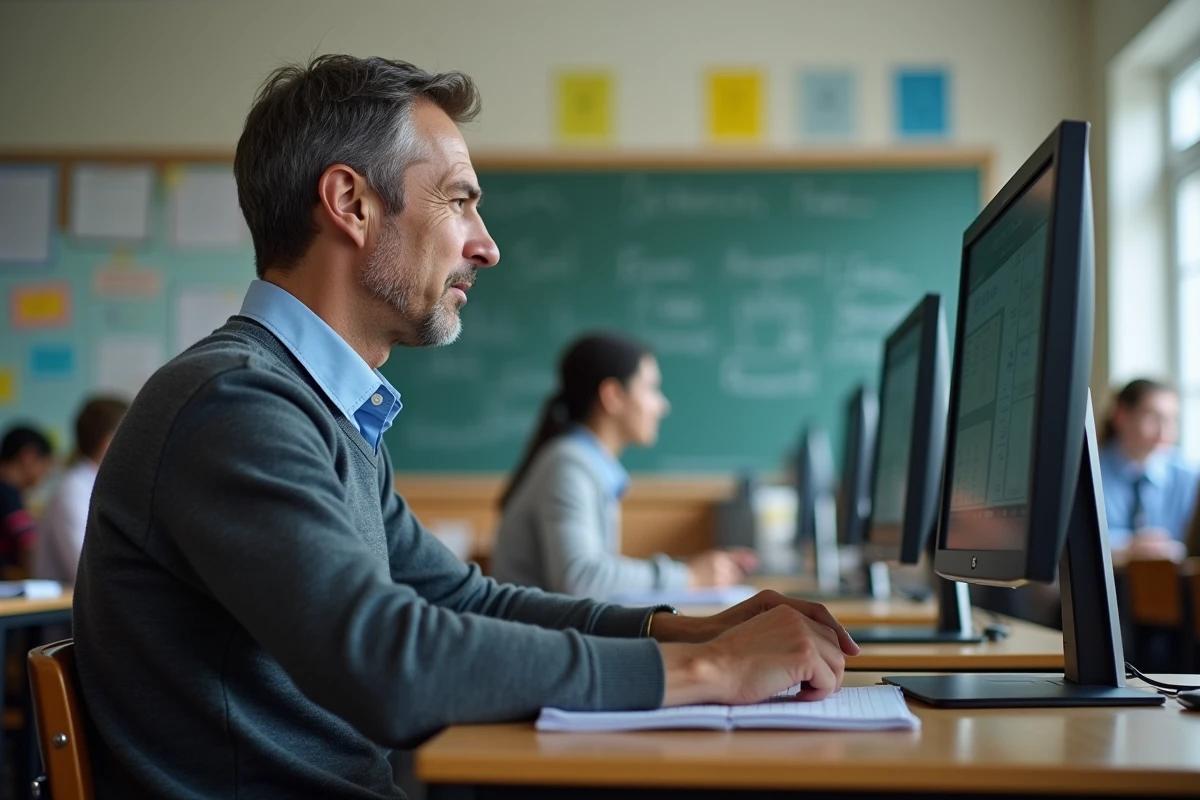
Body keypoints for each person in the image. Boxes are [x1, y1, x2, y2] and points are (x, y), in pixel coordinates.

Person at [74, 56, 858, 800]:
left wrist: (683, 631)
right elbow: (385, 662)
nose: (485, 244)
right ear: (351, 203)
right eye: (458, 200)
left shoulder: (316, 408)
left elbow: (459, 599)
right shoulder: (236, 405)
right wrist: (711, 673)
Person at [492, 332, 756, 599]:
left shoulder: (578, 461)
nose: (662, 406)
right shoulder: (568, 465)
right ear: (613, 396)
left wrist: (692, 572)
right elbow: (582, 579)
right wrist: (689, 576)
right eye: (651, 389)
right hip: (538, 636)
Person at [1099, 379, 1199, 563]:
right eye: (1154, 417)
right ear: (1121, 416)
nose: (1164, 430)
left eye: (1172, 419)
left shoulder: (1189, 476)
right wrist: (1128, 548)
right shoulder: (1088, 472)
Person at [35, 396, 128, 584]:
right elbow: (87, 570)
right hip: (63, 609)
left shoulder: (101, 486)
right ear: (110, 442)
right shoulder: (73, 490)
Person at [0, 424, 55, 577]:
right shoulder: (7, 493)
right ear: (28, 456)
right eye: (46, 464)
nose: (47, 474)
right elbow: (28, 543)